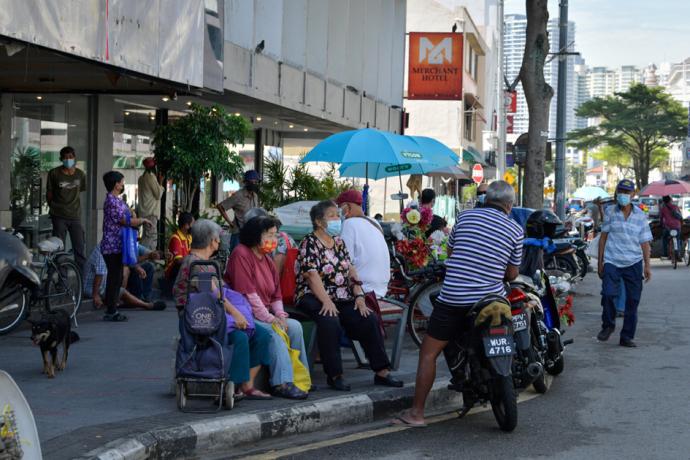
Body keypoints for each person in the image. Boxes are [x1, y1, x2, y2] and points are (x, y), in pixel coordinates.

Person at [395, 181, 523, 427]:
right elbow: (511, 273)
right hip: (492, 300)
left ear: (486, 199)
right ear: (509, 205)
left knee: (429, 352)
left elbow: (451, 254)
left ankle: (416, 414)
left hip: (454, 298)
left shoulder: (464, 218)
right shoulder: (516, 230)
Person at [295, 200, 402, 391]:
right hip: (313, 295)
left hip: (342, 295)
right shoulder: (309, 242)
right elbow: (311, 276)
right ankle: (335, 375)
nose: (338, 219)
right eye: (332, 216)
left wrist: (359, 297)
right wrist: (326, 301)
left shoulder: (338, 242)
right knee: (330, 319)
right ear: (319, 222)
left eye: (338, 215)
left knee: (368, 317)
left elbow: (351, 270)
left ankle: (382, 371)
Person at [173, 219, 273, 399]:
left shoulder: (205, 262)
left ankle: (247, 385)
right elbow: (214, 295)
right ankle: (231, 386)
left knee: (263, 335)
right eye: (218, 239)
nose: (219, 242)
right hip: (203, 321)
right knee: (239, 337)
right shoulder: (194, 263)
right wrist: (236, 313)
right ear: (212, 241)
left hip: (218, 315)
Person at [225, 216, 309, 400]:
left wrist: (279, 314)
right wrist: (272, 319)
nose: (273, 240)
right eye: (269, 235)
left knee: (295, 327)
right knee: (274, 332)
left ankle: (300, 379)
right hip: (245, 313)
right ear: (256, 235)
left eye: (275, 235)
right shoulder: (241, 254)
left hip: (264, 312)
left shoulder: (267, 259)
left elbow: (275, 295)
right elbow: (248, 295)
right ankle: (282, 383)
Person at [597, 179, 653, 348]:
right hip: (612, 261)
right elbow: (603, 238)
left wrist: (647, 265)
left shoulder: (640, 216)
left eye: (627, 193)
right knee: (607, 294)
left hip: (634, 263)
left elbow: (644, 243)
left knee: (633, 301)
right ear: (617, 192)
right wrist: (600, 262)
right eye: (621, 192)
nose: (624, 195)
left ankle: (627, 336)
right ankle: (608, 325)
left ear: (633, 194)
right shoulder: (610, 212)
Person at [101, 171, 152, 322]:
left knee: (117, 277)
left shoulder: (116, 200)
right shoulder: (111, 201)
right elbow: (124, 220)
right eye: (121, 182)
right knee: (114, 277)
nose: (123, 184)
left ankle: (113, 308)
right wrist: (142, 220)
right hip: (112, 246)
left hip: (118, 245)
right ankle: (111, 310)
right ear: (116, 184)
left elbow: (128, 216)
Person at [336, 190, 390, 298]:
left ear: (347, 206)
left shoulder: (349, 224)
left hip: (363, 290)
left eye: (340, 207)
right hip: (382, 289)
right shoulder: (374, 222)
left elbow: (344, 262)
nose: (339, 212)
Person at [83, 245, 165, 311]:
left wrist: (138, 266)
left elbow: (128, 260)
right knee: (122, 287)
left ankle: (144, 298)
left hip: (104, 285)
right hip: (92, 288)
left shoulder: (125, 246)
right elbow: (99, 274)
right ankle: (146, 305)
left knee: (144, 267)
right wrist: (95, 295)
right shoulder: (103, 250)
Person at [46, 146, 87, 271]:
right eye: (65, 157)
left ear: (74, 158)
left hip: (75, 216)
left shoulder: (80, 174)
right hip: (59, 217)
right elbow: (49, 194)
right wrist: (54, 208)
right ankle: (61, 281)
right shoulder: (54, 173)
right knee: (59, 250)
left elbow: (80, 191)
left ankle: (83, 280)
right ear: (60, 159)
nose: (68, 159)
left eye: (70, 157)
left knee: (79, 249)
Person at [217, 170, 261, 253]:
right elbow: (220, 206)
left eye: (256, 182)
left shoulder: (255, 196)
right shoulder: (238, 195)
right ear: (246, 182)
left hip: (251, 233)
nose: (254, 183)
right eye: (252, 181)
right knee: (236, 258)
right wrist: (230, 222)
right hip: (238, 234)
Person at [137, 157, 165, 250]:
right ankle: (142, 259)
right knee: (150, 238)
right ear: (154, 167)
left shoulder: (141, 178)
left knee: (147, 237)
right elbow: (158, 194)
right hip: (151, 213)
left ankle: (143, 259)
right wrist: (160, 183)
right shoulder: (151, 177)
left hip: (144, 212)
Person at [165, 212, 195, 288]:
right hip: (173, 272)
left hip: (184, 269)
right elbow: (178, 261)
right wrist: (193, 259)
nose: (194, 226)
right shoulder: (176, 238)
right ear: (186, 225)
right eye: (193, 224)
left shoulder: (189, 237)